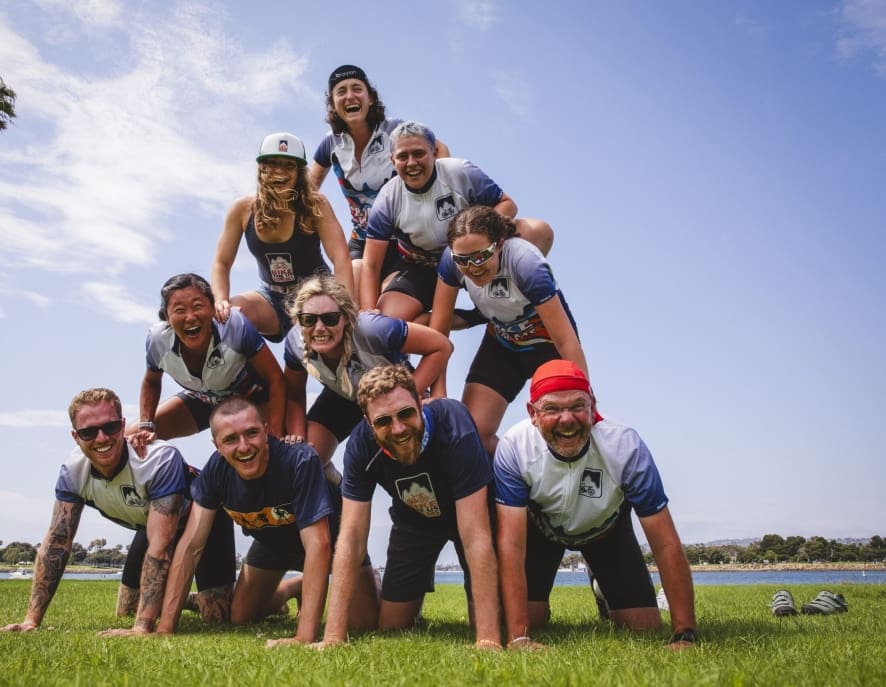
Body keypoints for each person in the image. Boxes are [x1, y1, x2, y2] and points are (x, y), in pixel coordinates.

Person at [494, 360, 697, 651]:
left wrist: (684, 634)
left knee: (644, 625)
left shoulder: (626, 446)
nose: (567, 419)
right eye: (551, 409)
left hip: (606, 532)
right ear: (533, 414)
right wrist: (518, 637)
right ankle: (538, 610)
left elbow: (665, 543)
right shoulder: (514, 447)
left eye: (578, 406)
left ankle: (602, 586)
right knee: (531, 621)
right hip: (543, 532)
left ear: (592, 406)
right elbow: (512, 545)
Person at [0, 388, 235, 635]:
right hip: (151, 523)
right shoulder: (73, 472)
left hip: (203, 522)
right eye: (89, 432)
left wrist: (142, 628)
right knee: (127, 608)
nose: (101, 438)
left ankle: (273, 595)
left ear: (123, 426)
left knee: (218, 615)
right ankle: (188, 599)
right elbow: (58, 542)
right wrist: (31, 620)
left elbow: (160, 547)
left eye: (110, 427)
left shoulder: (158, 459)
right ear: (75, 436)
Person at [156, 397, 378, 645]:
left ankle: (366, 578)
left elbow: (319, 545)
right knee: (240, 617)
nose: (243, 446)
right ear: (216, 444)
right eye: (230, 439)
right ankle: (292, 588)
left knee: (364, 623)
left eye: (251, 433)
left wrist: (303, 636)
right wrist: (165, 628)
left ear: (265, 428)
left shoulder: (300, 460)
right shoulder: (217, 470)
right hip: (271, 540)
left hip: (328, 539)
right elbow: (191, 546)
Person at [314, 365, 501, 650]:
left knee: (490, 625)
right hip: (415, 521)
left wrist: (488, 640)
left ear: (419, 402)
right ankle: (400, 593)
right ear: (368, 422)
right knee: (391, 626)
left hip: (472, 514)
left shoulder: (454, 423)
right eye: (383, 421)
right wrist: (333, 638)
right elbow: (351, 538)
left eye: (406, 413)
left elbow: (475, 535)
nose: (398, 428)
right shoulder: (360, 447)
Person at [430, 206, 588, 456]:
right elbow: (437, 333)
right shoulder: (451, 261)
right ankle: (513, 477)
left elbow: (566, 341)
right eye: (463, 260)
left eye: (481, 256)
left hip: (548, 348)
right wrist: (438, 393)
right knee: (470, 440)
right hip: (503, 346)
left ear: (500, 244)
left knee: (563, 432)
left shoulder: (526, 264)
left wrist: (587, 399)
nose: (473, 267)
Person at [360, 120, 554, 323]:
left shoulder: (460, 171)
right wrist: (368, 312)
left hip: (474, 254)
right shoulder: (387, 199)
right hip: (424, 266)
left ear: (434, 153)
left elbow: (507, 205)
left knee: (538, 231)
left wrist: (479, 240)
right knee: (388, 320)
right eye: (402, 156)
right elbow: (371, 264)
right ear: (392, 160)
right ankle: (467, 318)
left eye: (418, 153)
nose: (411, 163)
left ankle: (502, 305)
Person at [283, 274, 453, 483]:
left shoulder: (371, 328)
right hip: (343, 396)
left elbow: (441, 346)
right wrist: (298, 437)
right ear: (298, 320)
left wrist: (410, 396)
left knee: (423, 468)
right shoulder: (294, 342)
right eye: (309, 320)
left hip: (390, 398)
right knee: (304, 461)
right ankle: (335, 489)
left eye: (330, 319)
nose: (319, 328)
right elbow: (293, 393)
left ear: (346, 317)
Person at [308, 65, 450, 298]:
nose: (350, 96)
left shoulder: (394, 130)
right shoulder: (330, 143)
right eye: (341, 91)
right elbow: (307, 189)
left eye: (357, 89)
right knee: (345, 301)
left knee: (386, 307)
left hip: (403, 243)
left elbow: (438, 147)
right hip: (362, 240)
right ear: (333, 104)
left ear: (370, 98)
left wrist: (441, 196)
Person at [212, 132, 354, 342]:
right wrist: (221, 300)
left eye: (289, 166)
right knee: (229, 320)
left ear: (299, 172)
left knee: (308, 345)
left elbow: (340, 257)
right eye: (273, 164)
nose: (280, 171)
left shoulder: (317, 204)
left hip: (317, 293)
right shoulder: (241, 209)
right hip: (272, 297)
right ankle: (249, 375)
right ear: (262, 168)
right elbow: (221, 263)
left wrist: (345, 308)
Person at [131, 273, 286, 445]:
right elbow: (151, 381)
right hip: (203, 399)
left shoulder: (234, 325)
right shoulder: (157, 340)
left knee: (265, 447)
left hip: (252, 396)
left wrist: (276, 433)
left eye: (197, 306)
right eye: (179, 310)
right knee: (130, 439)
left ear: (213, 308)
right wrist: (146, 425)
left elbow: (275, 379)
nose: (190, 317)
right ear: (166, 317)